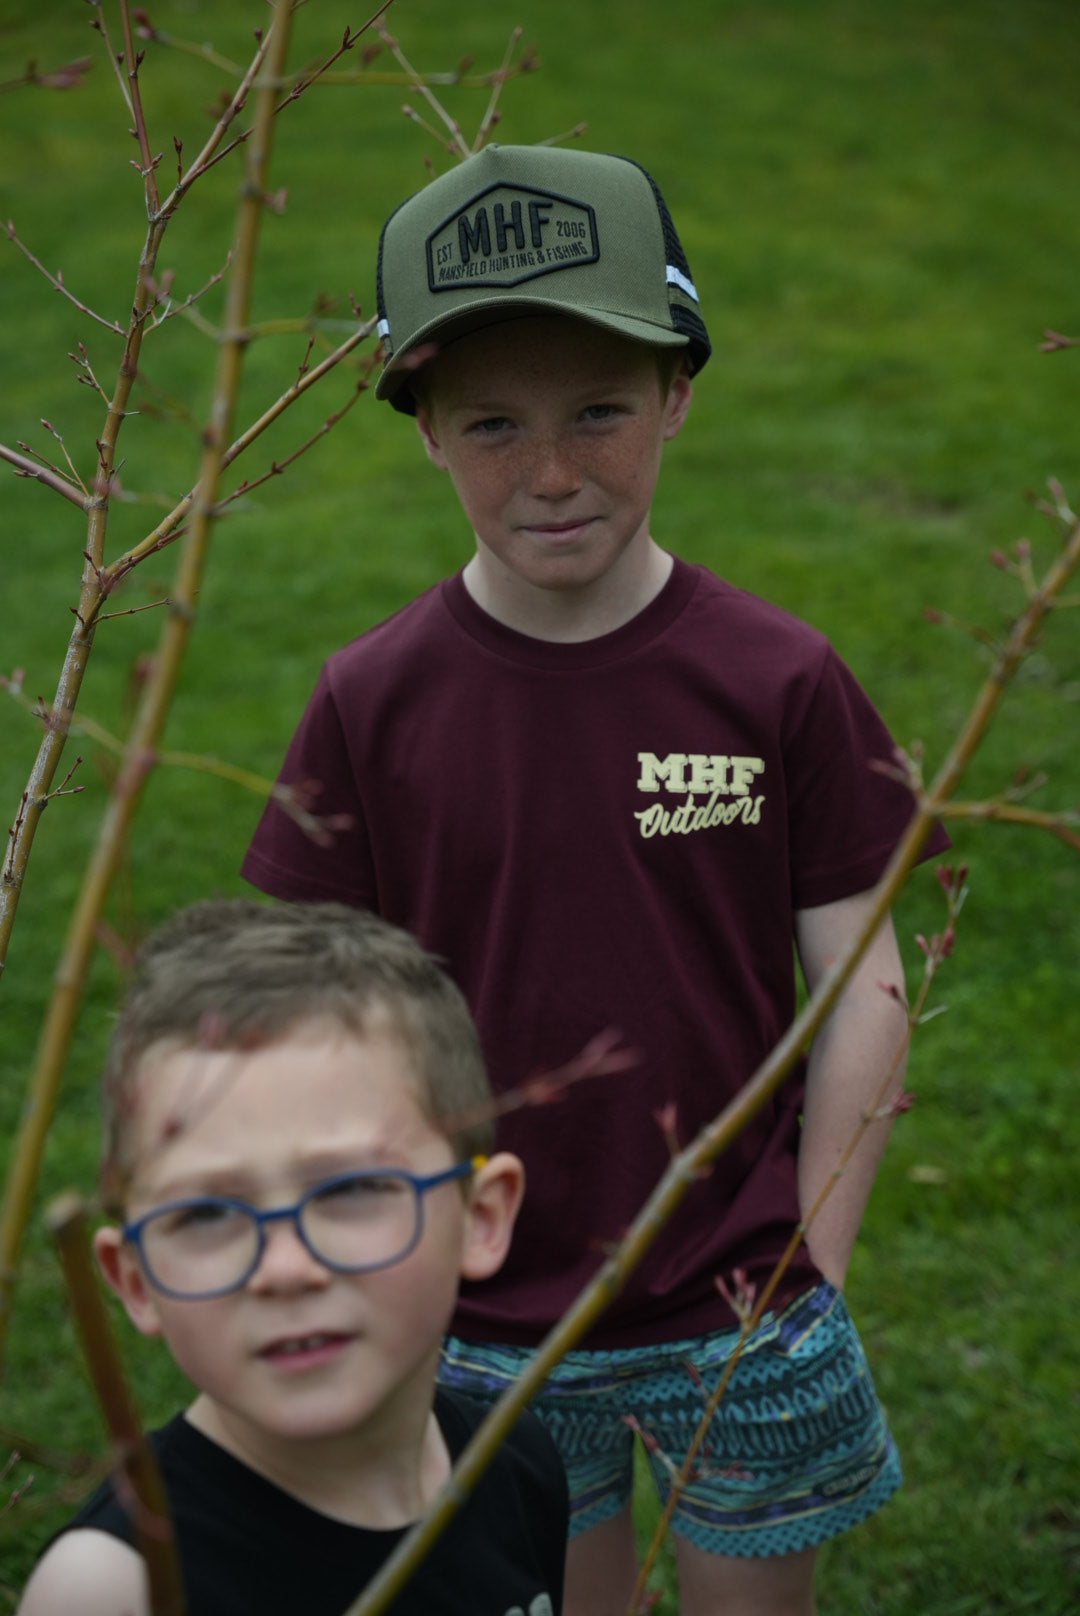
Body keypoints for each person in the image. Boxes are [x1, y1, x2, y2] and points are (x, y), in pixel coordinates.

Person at [240, 144, 949, 1616]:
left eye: (601, 412)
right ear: (424, 428)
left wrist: (810, 1254)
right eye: (493, 421)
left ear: (680, 395)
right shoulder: (372, 701)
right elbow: (307, 1015)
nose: (551, 472)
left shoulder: (780, 679)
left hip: (744, 1301)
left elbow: (869, 976)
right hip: (483, 1312)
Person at [18, 899, 567, 1616]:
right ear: (136, 1278)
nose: (285, 1270)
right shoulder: (116, 1590)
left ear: (480, 1218)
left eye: (352, 1189)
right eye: (206, 1212)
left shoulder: (516, 1461)